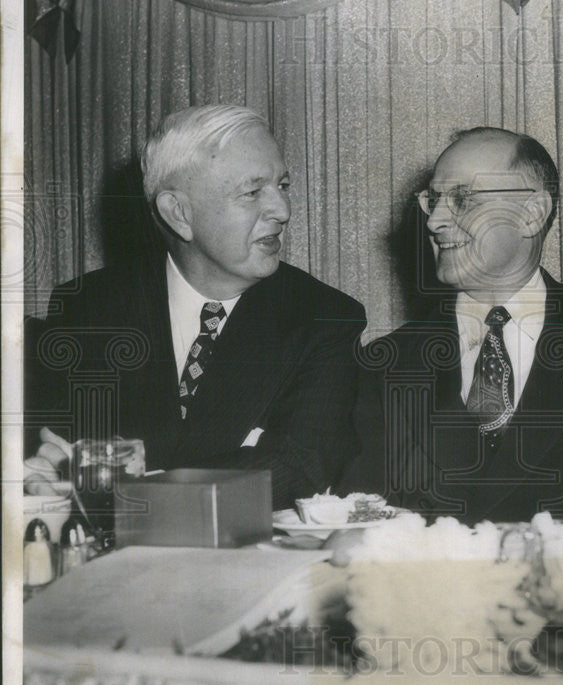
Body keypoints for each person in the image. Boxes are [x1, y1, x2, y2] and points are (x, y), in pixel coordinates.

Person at [24, 104, 366, 511]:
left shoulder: (325, 316)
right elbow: (53, 444)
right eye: (253, 191)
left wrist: (137, 482)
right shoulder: (87, 306)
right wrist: (42, 466)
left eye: (283, 185)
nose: (283, 211)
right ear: (179, 214)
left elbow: (300, 465)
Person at [341, 127, 563, 524]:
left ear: (532, 213)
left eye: (462, 199)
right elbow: (362, 522)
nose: (435, 221)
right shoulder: (386, 365)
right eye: (433, 200)